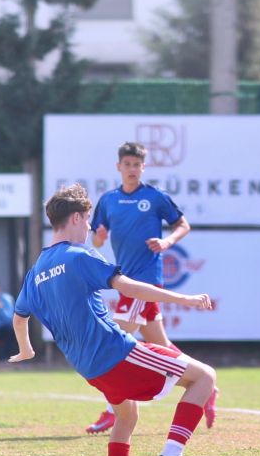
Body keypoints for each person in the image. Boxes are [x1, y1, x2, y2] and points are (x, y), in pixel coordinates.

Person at [10, 184, 219, 456]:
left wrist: (25, 350)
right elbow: (128, 285)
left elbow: (19, 317)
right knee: (205, 377)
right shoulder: (79, 255)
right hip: (118, 353)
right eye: (88, 221)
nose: (90, 228)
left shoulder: (36, 272)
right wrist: (185, 299)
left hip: (89, 369)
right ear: (76, 218)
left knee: (126, 417)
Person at [84, 141, 217, 434]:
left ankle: (111, 410)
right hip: (125, 281)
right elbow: (95, 241)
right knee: (161, 347)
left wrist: (167, 242)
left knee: (114, 342)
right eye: (127, 164)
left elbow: (183, 224)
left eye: (136, 165)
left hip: (144, 281)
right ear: (118, 167)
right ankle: (206, 383)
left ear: (143, 167)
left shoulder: (155, 197)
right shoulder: (108, 200)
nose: (131, 169)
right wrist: (99, 237)